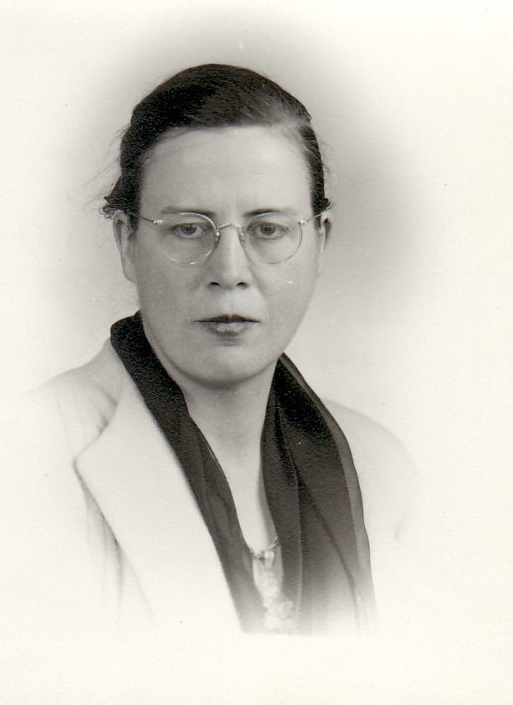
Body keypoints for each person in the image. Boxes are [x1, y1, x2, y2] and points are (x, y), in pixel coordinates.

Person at [35, 63, 410, 637]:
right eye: (188, 228)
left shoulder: (383, 470)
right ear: (127, 242)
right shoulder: (27, 456)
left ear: (320, 243)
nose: (230, 272)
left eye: (268, 229)